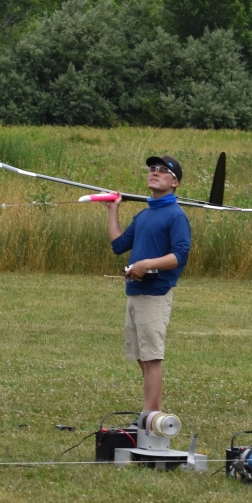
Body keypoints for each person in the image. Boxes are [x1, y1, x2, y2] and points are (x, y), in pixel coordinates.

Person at [104, 155, 191, 413]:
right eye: (152, 169)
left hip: (155, 294)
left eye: (163, 170)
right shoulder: (144, 215)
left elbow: (180, 255)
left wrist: (146, 264)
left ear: (174, 182)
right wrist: (113, 210)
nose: (155, 172)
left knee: (152, 359)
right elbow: (119, 245)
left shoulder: (175, 216)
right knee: (142, 358)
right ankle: (154, 413)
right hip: (135, 293)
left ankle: (148, 417)